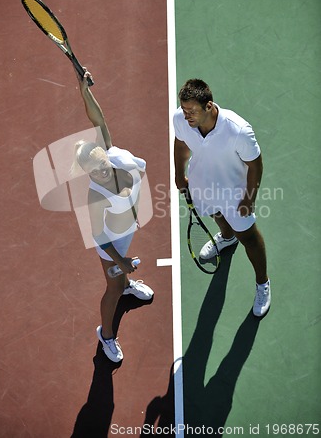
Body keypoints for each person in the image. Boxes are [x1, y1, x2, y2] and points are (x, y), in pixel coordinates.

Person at [71, 70, 154, 362]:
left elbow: (98, 119)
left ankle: (127, 284)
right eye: (93, 170)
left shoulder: (113, 154)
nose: (101, 170)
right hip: (112, 242)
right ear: (87, 173)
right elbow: (98, 235)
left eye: (101, 163)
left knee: (121, 282)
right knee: (113, 288)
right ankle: (105, 335)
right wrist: (121, 261)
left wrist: (84, 91)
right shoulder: (96, 197)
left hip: (128, 226)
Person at [173, 79, 271, 317]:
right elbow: (181, 144)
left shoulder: (238, 130)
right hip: (202, 184)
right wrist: (179, 173)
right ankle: (226, 238)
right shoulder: (181, 119)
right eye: (184, 109)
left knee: (248, 237)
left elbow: (255, 165)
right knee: (217, 216)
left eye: (192, 111)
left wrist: (249, 199)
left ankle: (263, 283)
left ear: (209, 106)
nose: (186, 116)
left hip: (235, 194)